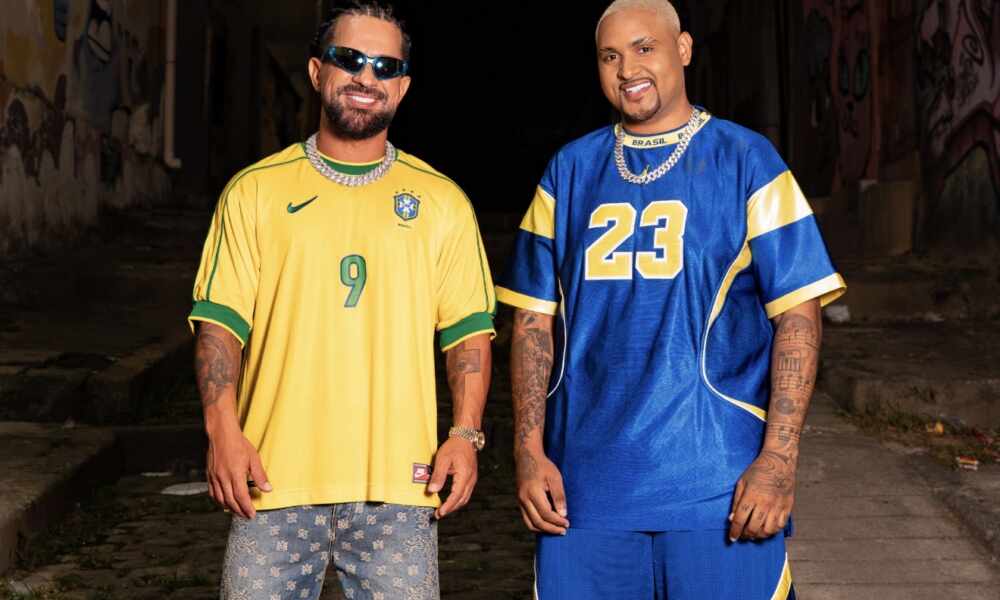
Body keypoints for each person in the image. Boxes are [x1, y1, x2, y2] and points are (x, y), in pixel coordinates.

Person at [496, 0, 845, 598]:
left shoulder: (748, 160)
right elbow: (531, 324)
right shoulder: (568, 171)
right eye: (610, 56)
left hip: (718, 487)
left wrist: (778, 460)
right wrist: (528, 451)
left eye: (644, 48)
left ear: (682, 49)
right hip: (584, 493)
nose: (627, 68)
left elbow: (798, 316)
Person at [188, 3, 495, 598]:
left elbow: (467, 332)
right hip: (269, 483)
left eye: (385, 66)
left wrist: (465, 434)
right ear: (316, 71)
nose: (366, 77)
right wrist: (221, 430)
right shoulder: (254, 191)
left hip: (401, 493)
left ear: (402, 87)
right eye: (349, 59)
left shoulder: (442, 202)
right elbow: (221, 325)